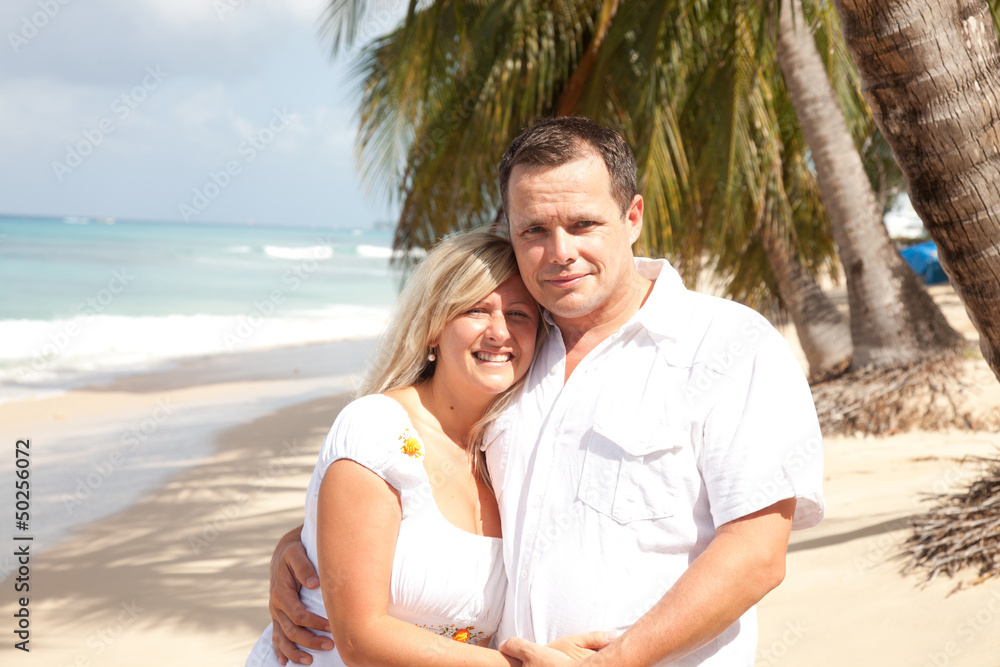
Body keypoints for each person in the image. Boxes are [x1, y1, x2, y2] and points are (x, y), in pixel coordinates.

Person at [268, 117, 825, 666]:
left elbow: (756, 555)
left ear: (632, 217)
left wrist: (610, 664)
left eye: (583, 224)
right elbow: (427, 485)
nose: (560, 251)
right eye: (534, 230)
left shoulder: (728, 345)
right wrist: (304, 547)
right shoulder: (514, 353)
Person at [247, 229, 606, 667]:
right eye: (476, 310)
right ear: (434, 327)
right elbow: (359, 639)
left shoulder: (505, 451)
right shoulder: (378, 430)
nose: (499, 332)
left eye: (518, 315)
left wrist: (294, 541)